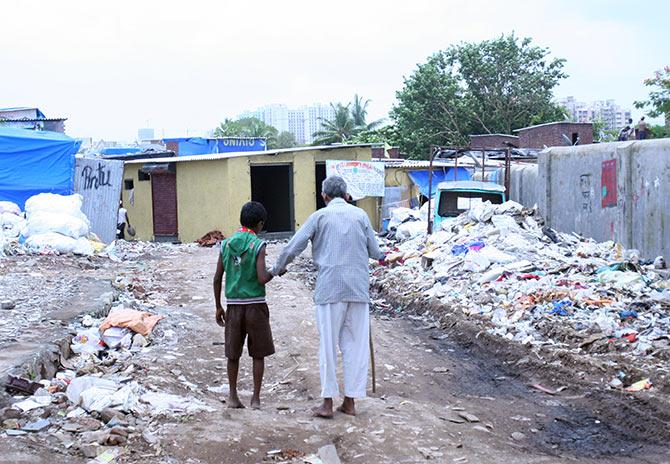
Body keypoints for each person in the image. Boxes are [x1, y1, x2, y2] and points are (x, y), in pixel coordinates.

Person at [272, 176, 385, 418]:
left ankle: (326, 403)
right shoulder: (361, 216)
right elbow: (375, 252)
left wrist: (277, 268)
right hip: (358, 289)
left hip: (330, 290)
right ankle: (350, 402)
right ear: (346, 195)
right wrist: (390, 255)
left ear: (324, 196)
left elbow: (294, 247)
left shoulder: (319, 217)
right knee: (355, 346)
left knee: (328, 347)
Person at [213, 201, 275, 409]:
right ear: (259, 224)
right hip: (256, 305)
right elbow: (261, 278)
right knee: (258, 354)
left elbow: (217, 278)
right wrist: (276, 272)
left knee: (233, 354)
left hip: (233, 306)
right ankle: (255, 399)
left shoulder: (226, 244)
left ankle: (232, 396)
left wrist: (218, 306)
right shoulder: (258, 245)